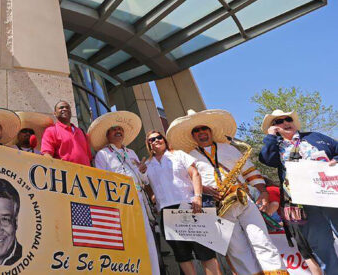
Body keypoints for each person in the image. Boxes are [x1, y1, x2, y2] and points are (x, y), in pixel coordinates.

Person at [168, 109, 286, 275]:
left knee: (261, 239)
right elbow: (185, 183)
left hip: (242, 198)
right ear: (193, 136)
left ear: (210, 131)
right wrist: (203, 189)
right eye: (196, 130)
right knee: (236, 250)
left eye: (204, 129)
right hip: (216, 205)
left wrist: (263, 192)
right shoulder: (189, 156)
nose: (201, 132)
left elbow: (249, 172)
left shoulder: (229, 148)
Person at [259, 109, 338, 273]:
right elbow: (267, 159)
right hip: (304, 202)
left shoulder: (315, 137)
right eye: (278, 122)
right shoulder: (276, 145)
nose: (285, 123)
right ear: (274, 127)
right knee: (322, 247)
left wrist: (335, 160)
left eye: (287, 119)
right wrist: (272, 137)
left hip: (331, 194)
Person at [88, 111, 161, 275]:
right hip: (120, 204)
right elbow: (102, 182)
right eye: (113, 129)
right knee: (127, 241)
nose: (117, 131)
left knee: (147, 240)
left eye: (119, 128)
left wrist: (142, 172)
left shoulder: (132, 153)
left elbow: (144, 180)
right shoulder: (103, 154)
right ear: (107, 135)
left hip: (139, 201)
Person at [143, 130, 219, 275]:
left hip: (189, 206)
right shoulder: (147, 164)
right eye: (151, 140)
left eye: (159, 137)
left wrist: (198, 196)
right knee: (182, 255)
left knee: (206, 252)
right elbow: (146, 186)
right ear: (148, 145)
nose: (156, 141)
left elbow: (195, 174)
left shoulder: (178, 154)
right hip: (166, 212)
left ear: (164, 140)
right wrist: (153, 197)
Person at [40, 100, 92, 166]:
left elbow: (89, 157)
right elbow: (46, 155)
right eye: (61, 108)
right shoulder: (51, 130)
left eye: (67, 107)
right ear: (55, 113)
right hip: (65, 174)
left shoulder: (81, 132)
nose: (65, 109)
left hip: (85, 173)